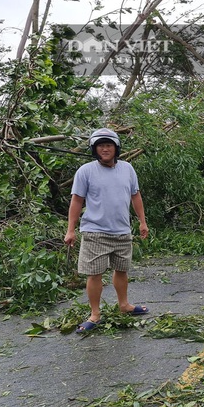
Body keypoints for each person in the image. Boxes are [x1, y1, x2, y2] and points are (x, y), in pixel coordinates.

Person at [64, 128, 150, 334]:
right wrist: (71, 230)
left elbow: (135, 196)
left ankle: (124, 305)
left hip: (122, 231)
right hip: (95, 232)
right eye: (100, 145)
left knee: (121, 270)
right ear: (94, 149)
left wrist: (142, 222)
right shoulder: (85, 171)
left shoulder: (128, 169)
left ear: (116, 148)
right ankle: (95, 314)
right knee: (94, 274)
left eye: (108, 145)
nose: (105, 148)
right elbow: (76, 201)